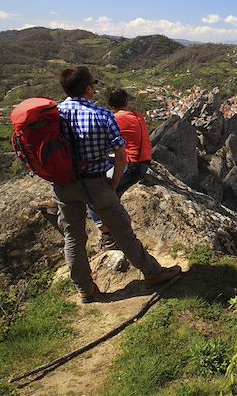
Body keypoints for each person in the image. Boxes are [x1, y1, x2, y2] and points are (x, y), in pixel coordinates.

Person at [54, 66, 180, 303]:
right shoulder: (102, 116)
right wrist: (113, 183)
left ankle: (85, 289)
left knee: (73, 237)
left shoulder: (54, 115)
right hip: (95, 182)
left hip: (63, 185)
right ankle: (153, 273)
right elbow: (121, 155)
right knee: (123, 231)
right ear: (89, 89)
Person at [89, 87, 153, 251]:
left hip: (132, 166)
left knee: (95, 194)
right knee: (107, 161)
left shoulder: (114, 118)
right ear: (126, 101)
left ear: (110, 104)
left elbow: (102, 142)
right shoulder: (137, 116)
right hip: (143, 162)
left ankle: (108, 237)